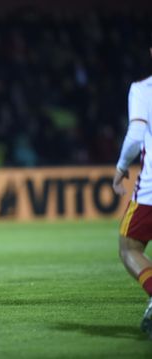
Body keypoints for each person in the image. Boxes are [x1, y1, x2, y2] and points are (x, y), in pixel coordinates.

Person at [112, 46, 152, 338]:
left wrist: (121, 166)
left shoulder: (143, 90)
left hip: (151, 191)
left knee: (130, 246)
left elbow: (137, 134)